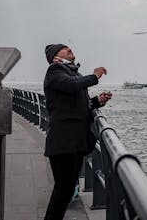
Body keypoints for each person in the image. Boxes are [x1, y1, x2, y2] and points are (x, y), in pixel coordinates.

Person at [43, 44, 112, 220]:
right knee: (62, 191)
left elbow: (79, 103)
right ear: (54, 56)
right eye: (64, 48)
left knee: (65, 191)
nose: (69, 49)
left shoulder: (72, 72)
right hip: (62, 142)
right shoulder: (55, 70)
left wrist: (97, 101)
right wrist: (95, 76)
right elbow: (71, 86)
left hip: (72, 142)